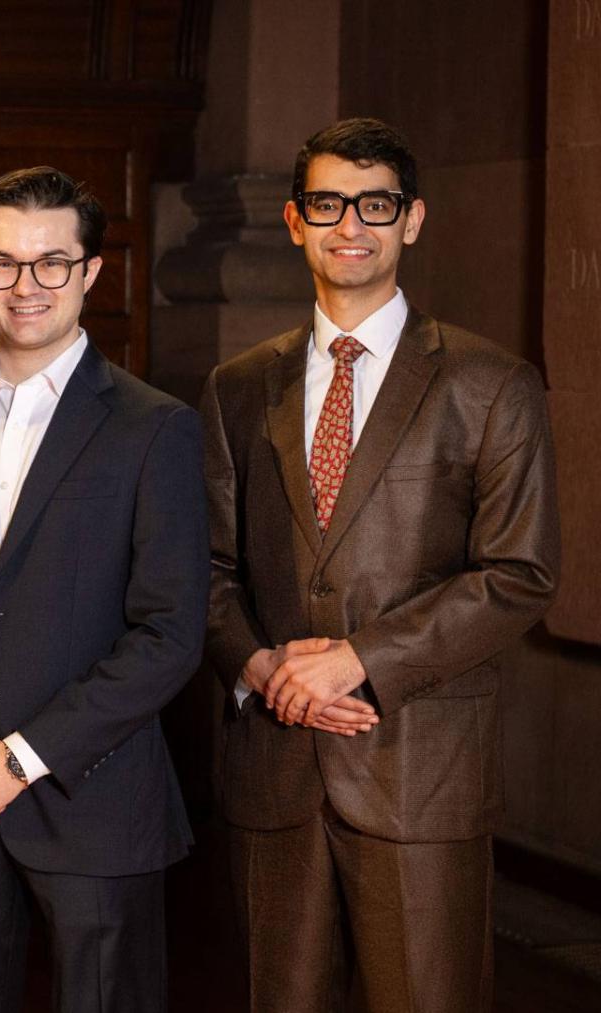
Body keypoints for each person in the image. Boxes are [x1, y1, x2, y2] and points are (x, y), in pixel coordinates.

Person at [202, 117, 560, 1012]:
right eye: (327, 202)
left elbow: (519, 573)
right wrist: (261, 665)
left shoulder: (492, 382)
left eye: (375, 203)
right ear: (294, 221)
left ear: (412, 219)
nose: (349, 223)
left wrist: (360, 659)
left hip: (422, 776)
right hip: (273, 773)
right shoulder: (238, 386)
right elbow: (204, 565)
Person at [0, 166, 208, 1012]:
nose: (26, 286)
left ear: (91, 272)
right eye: (4, 263)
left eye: (51, 263)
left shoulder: (156, 426)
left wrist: (22, 758)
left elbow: (170, 633)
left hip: (93, 802)